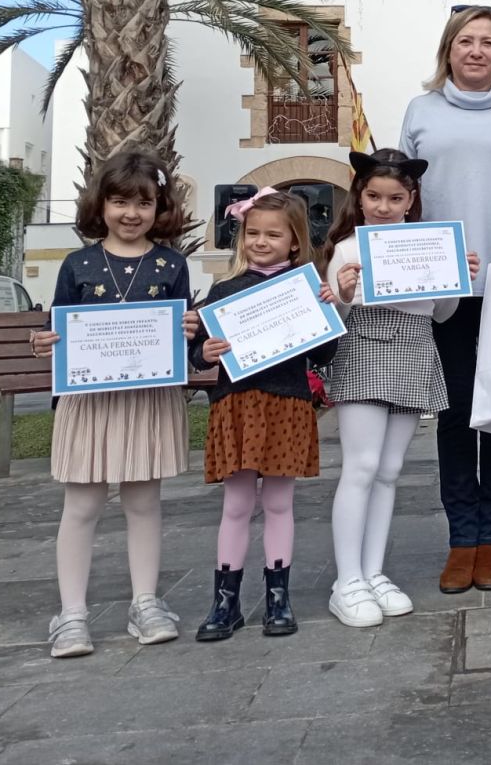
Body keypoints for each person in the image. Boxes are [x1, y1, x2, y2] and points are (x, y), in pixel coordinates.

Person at [399, 6, 491, 594]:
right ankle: (462, 539)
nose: (477, 51)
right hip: (447, 290)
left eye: (488, 42)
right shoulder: (420, 111)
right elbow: (400, 195)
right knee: (457, 413)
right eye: (466, 41)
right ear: (449, 50)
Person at [30, 151, 191, 658]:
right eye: (119, 201)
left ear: (158, 207)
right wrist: (46, 342)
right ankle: (71, 613)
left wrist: (192, 330)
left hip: (148, 401)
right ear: (100, 205)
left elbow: (183, 341)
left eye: (142, 203)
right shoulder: (77, 265)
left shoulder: (172, 265)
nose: (130, 213)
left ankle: (145, 602)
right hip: (90, 403)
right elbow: (61, 330)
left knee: (144, 503)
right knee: (82, 505)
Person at [323, 149, 480, 627]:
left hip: (413, 349)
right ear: (360, 197)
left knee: (390, 469)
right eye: (374, 196)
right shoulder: (348, 249)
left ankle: (372, 572)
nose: (384, 206)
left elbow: (442, 313)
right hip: (366, 347)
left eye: (395, 197)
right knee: (362, 465)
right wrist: (345, 295)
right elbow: (335, 318)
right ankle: (346, 580)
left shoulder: (432, 244)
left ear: (411, 200)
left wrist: (456, 278)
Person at [188, 188, 335, 641]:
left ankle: (278, 598)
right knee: (235, 504)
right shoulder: (225, 290)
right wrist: (205, 352)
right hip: (237, 403)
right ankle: (225, 602)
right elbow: (201, 354)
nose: (261, 241)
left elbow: (325, 353)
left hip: (286, 402)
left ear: (295, 241)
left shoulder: (306, 286)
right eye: (253, 233)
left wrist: (327, 308)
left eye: (273, 234)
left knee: (278, 503)